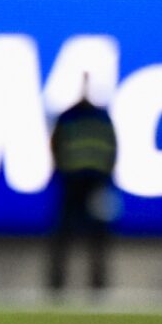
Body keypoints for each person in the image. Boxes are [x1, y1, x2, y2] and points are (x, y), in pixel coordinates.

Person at [48, 79, 118, 295]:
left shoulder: (98, 117)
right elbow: (56, 146)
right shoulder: (74, 117)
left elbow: (111, 148)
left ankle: (96, 284)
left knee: (94, 237)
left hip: (91, 184)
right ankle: (57, 284)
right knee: (68, 235)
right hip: (75, 183)